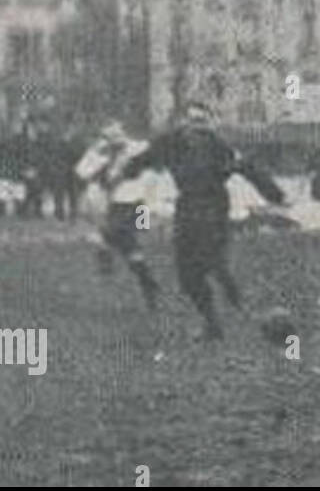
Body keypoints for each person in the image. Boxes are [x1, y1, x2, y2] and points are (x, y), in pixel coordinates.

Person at [121, 102, 286, 341]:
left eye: (202, 122)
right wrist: (129, 169)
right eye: (192, 121)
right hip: (192, 206)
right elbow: (143, 160)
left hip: (211, 206)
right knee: (188, 274)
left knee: (209, 262)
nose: (197, 128)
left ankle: (239, 305)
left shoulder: (215, 145)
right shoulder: (172, 142)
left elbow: (246, 167)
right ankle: (214, 321)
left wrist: (274, 193)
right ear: (183, 122)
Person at [75, 120, 160, 310]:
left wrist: (147, 214)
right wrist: (97, 153)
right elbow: (81, 172)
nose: (113, 141)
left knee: (109, 236)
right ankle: (147, 282)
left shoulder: (137, 149)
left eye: (115, 135)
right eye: (108, 137)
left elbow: (151, 176)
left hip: (133, 202)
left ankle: (108, 262)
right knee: (128, 247)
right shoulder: (104, 153)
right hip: (118, 203)